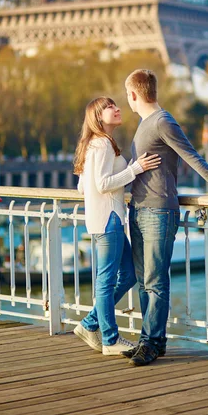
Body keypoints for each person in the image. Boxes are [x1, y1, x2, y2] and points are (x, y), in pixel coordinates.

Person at [122, 69, 208, 366]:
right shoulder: (144, 124)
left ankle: (152, 342)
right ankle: (150, 338)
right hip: (139, 209)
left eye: (126, 95)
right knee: (144, 281)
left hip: (158, 210)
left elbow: (192, 156)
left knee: (155, 281)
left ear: (133, 94)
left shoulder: (163, 122)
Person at [73, 96, 161, 356]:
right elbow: (101, 184)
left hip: (105, 218)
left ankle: (90, 323)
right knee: (107, 279)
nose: (117, 108)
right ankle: (110, 339)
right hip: (108, 219)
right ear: (98, 117)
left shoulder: (95, 144)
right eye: (109, 107)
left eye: (115, 105)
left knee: (129, 274)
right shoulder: (100, 144)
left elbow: (83, 187)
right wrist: (135, 169)